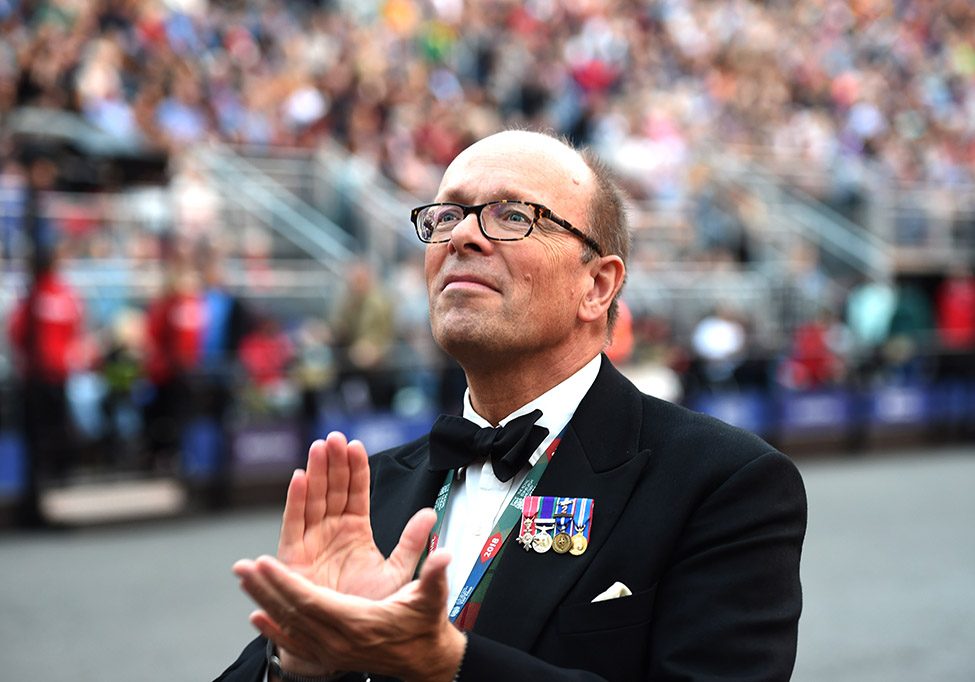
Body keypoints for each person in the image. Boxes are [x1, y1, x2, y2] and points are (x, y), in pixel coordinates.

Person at [218, 130, 806, 682]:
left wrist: (448, 663)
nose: (461, 237)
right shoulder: (366, 494)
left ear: (597, 286)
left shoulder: (724, 484)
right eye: (446, 215)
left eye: (513, 215)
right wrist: (298, 659)